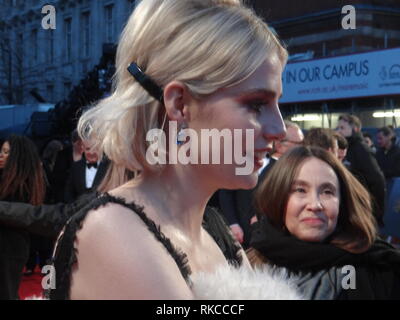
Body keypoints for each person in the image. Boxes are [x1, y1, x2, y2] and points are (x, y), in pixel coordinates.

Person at [46, 0, 304, 300]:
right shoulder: (115, 231)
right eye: (256, 104)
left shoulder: (214, 230)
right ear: (180, 104)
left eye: (277, 104)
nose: (279, 129)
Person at [247, 146, 400, 299]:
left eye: (327, 192)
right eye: (300, 190)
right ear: (277, 197)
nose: (315, 205)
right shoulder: (247, 267)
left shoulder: (379, 267)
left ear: (343, 203)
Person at [219, 120, 303, 247]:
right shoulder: (239, 162)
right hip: (241, 238)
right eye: (298, 143)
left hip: (274, 240)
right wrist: (233, 223)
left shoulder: (293, 170)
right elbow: (226, 193)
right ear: (280, 144)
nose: (302, 148)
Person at [0, 135, 46, 299]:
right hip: (12, 246)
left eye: (6, 152)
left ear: (17, 156)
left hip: (10, 248)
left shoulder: (21, 185)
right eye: (1, 151)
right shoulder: (9, 179)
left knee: (7, 292)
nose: (1, 155)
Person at [336, 114, 386, 226]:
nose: (338, 131)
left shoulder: (361, 149)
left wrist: (375, 213)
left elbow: (377, 180)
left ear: (355, 129)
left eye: (342, 128)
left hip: (362, 210)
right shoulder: (347, 148)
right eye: (338, 128)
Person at [64, 138, 110, 203]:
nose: (91, 152)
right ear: (83, 149)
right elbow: (69, 192)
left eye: (95, 149)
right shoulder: (76, 166)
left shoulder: (109, 167)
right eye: (88, 149)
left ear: (101, 149)